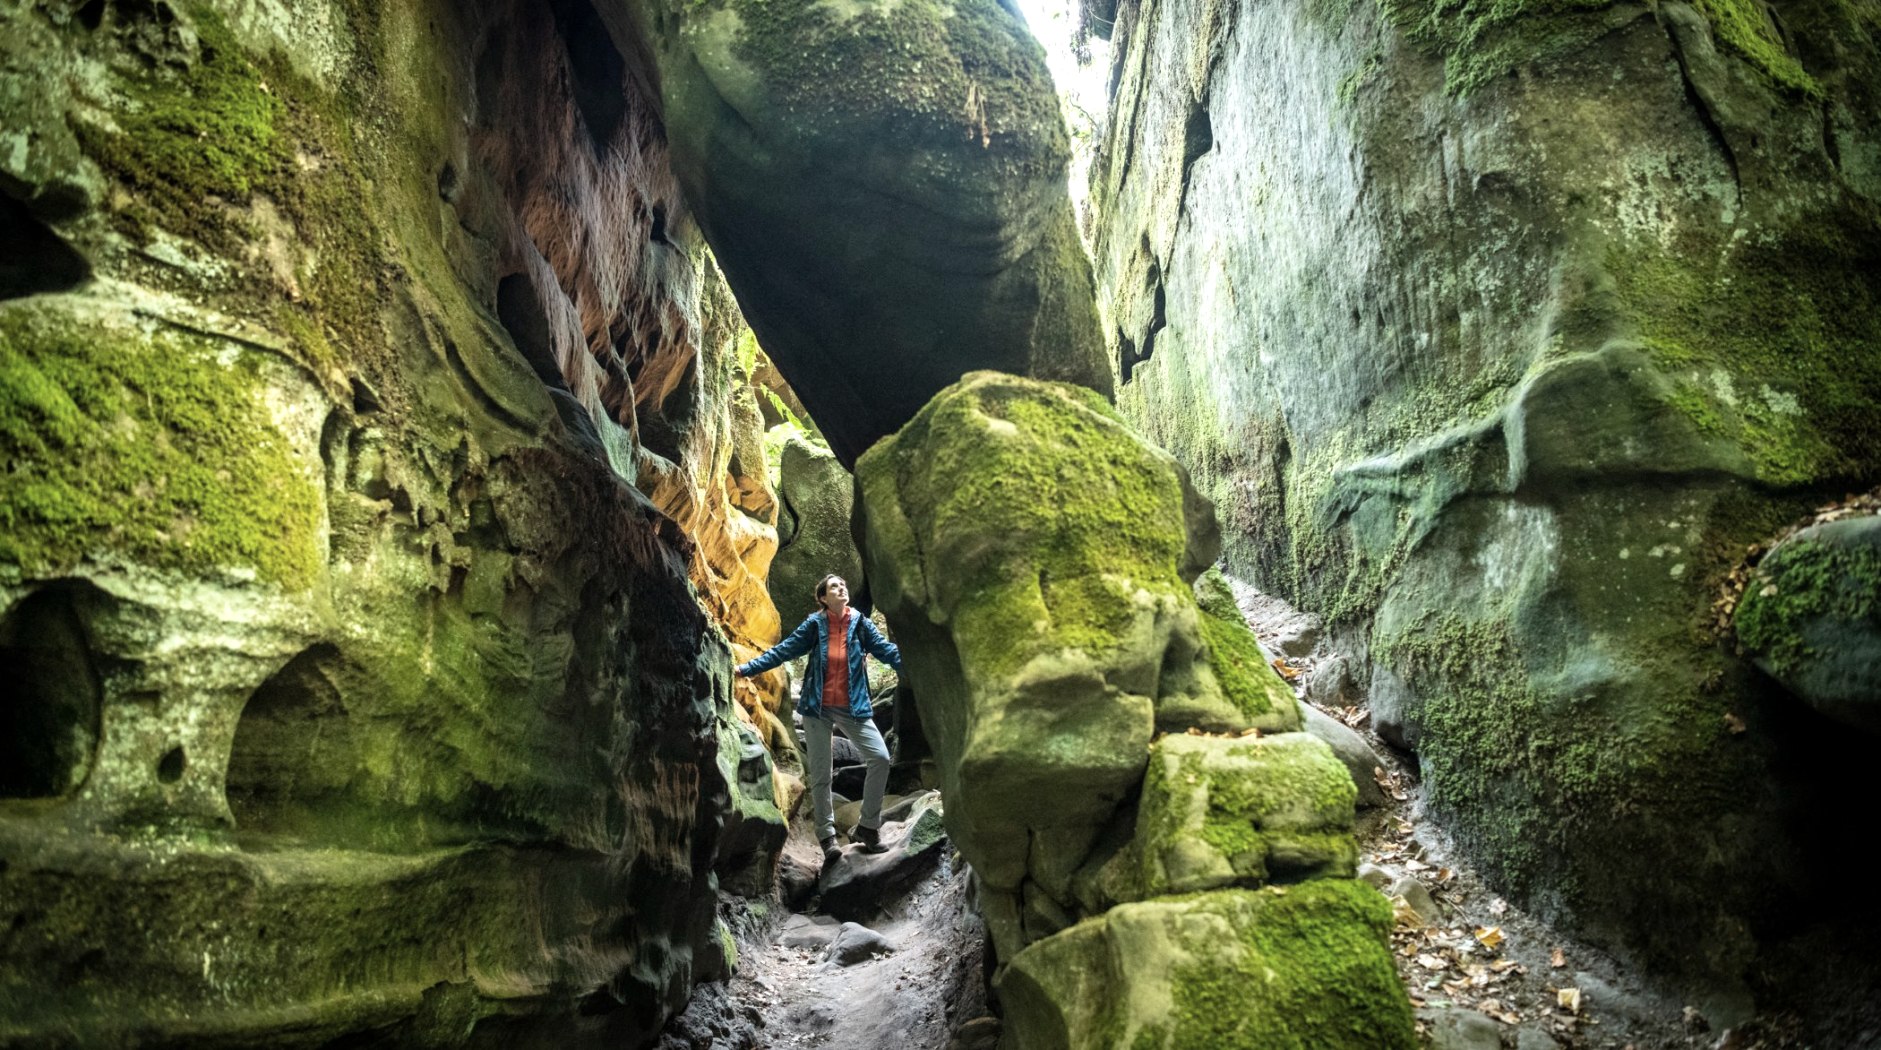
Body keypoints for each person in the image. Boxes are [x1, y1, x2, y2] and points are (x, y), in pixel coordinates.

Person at [735, 574, 901, 868]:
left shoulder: (860, 623)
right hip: (817, 709)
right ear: (823, 598)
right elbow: (784, 650)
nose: (842, 588)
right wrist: (748, 668)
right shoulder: (815, 625)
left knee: (880, 757)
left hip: (853, 708)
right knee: (823, 774)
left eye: (843, 585)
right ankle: (827, 838)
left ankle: (867, 826)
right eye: (834, 586)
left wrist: (914, 663)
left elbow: (886, 651)